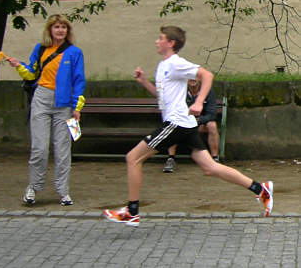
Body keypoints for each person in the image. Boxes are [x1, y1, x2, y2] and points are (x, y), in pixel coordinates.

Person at [103, 26, 273, 227]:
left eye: (160, 38)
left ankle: (132, 212)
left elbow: (207, 75)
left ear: (171, 43)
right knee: (210, 167)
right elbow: (162, 97)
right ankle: (260, 189)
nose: (156, 41)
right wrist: (143, 82)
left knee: (132, 158)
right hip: (184, 124)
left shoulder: (176, 63)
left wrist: (199, 101)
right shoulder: (163, 66)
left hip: (176, 123)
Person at [7, 14, 85, 206]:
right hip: (41, 98)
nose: (60, 30)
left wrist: (77, 107)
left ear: (68, 31)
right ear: (50, 30)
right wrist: (18, 66)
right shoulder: (40, 49)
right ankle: (33, 187)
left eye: (63, 27)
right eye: (57, 27)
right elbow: (32, 72)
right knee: (39, 148)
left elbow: (79, 81)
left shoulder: (74, 52)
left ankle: (63, 191)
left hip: (64, 104)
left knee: (62, 149)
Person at [163, 78, 220, 173]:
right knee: (173, 124)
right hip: (183, 122)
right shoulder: (180, 91)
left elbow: (212, 114)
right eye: (189, 76)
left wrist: (198, 120)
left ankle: (215, 159)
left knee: (212, 125)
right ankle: (170, 159)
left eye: (195, 76)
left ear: (200, 78)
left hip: (200, 123)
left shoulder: (207, 91)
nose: (192, 79)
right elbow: (173, 110)